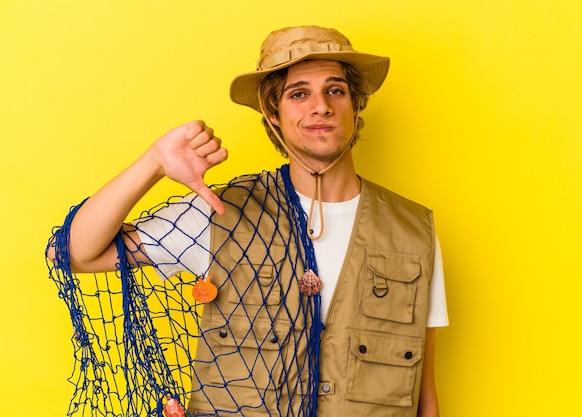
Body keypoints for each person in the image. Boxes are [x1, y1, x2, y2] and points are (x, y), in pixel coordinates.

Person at [48, 25, 448, 417]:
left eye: (335, 90)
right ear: (273, 114)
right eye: (299, 93)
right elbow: (72, 253)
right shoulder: (220, 213)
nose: (321, 106)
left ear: (355, 105)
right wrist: (154, 163)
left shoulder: (413, 232)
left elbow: (424, 398)